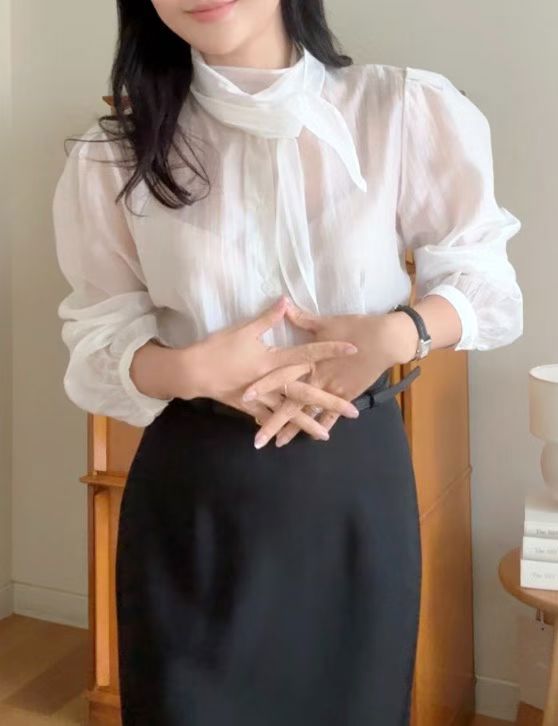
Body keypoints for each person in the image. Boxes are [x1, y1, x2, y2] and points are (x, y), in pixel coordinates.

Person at [51, 0, 524, 724]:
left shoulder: (400, 109)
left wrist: (398, 334)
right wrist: (195, 371)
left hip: (352, 485)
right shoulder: (112, 152)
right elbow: (96, 337)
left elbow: (486, 284)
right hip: (197, 487)